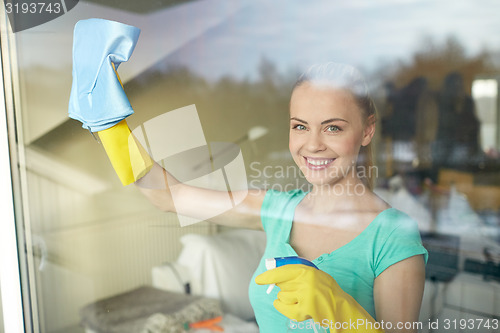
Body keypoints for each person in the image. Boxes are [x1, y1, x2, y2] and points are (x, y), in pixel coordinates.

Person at [69, 19, 427, 333]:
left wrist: (338, 308)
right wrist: (110, 126)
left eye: (332, 128)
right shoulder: (274, 209)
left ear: (366, 131)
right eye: (300, 126)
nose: (312, 145)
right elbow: (168, 196)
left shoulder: (393, 235)